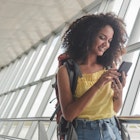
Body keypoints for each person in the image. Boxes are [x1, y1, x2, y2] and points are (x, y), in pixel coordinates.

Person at [57, 12, 127, 140]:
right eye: (102, 37)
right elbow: (69, 115)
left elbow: (114, 109)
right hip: (84, 133)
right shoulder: (66, 71)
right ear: (88, 36)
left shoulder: (108, 67)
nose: (106, 44)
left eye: (110, 40)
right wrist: (98, 84)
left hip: (112, 129)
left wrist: (119, 92)